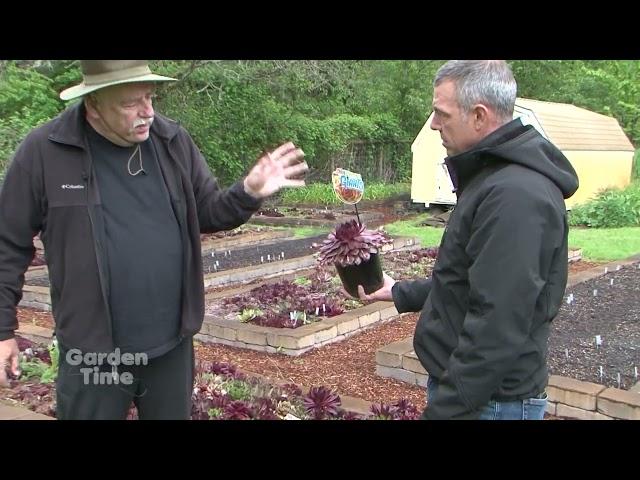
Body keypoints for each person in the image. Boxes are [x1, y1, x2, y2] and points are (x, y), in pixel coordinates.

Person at [0, 60, 308, 420]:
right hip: (93, 350)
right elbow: (8, 243)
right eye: (131, 102)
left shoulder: (171, 140)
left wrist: (248, 192)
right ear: (93, 103)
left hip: (171, 344)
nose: (147, 111)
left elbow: (208, 211)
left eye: (149, 97)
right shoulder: (45, 151)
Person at [357, 60, 579, 420]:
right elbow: (473, 281)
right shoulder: (494, 178)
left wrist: (445, 410)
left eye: (441, 114)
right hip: (479, 398)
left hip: (488, 404)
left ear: (479, 116)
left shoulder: (515, 195)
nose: (433, 124)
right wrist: (400, 291)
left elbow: (497, 323)